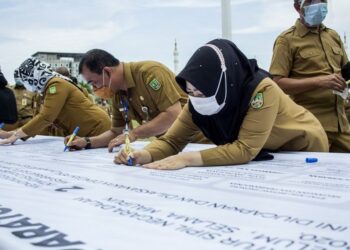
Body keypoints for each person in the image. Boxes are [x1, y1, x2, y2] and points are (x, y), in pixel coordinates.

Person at [115, 39, 328, 170]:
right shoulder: (198, 101)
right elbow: (172, 141)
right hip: (268, 150)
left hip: (302, 147)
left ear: (223, 84)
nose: (195, 98)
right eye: (190, 91)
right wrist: (145, 154)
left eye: (200, 91)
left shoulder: (261, 91)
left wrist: (187, 159)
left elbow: (244, 149)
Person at [65, 49, 204, 152]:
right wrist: (86, 142)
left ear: (107, 72)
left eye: (93, 82)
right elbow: (116, 132)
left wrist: (134, 134)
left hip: (201, 143)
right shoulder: (117, 93)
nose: (95, 88)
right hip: (174, 147)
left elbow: (173, 115)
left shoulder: (149, 73)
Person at [270, 0, 350, 152]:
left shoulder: (333, 36)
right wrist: (320, 81)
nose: (318, 5)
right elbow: (277, 83)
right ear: (297, 7)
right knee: (316, 172)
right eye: (311, 1)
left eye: (321, 1)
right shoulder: (286, 40)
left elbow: (345, 73)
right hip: (311, 126)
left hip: (341, 124)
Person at [0, 57, 111, 145]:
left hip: (97, 128)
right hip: (85, 131)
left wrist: (16, 135)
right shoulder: (48, 88)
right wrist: (12, 133)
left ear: (34, 75)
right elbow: (41, 120)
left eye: (26, 80)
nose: (27, 84)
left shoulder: (56, 85)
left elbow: (46, 117)